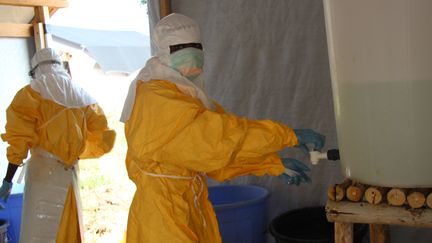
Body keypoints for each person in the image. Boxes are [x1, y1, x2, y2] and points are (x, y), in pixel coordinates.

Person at [120, 13, 325, 243]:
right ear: (165, 53)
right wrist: (288, 136)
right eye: (184, 47)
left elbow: (221, 154)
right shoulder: (156, 98)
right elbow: (218, 139)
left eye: (197, 46)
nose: (195, 54)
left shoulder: (187, 97)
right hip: (161, 215)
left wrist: (272, 163)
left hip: (189, 205)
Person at [0, 48, 116, 243]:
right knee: (68, 228)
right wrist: (73, 154)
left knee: (40, 231)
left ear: (36, 69)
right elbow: (103, 136)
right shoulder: (81, 96)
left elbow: (19, 139)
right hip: (69, 172)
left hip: (43, 173)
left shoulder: (31, 94)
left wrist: (8, 180)